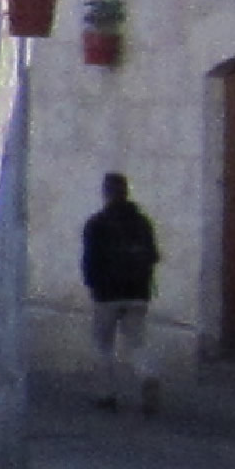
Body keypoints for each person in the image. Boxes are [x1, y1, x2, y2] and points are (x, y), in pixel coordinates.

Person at [79, 174, 163, 411]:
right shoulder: (142, 222)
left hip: (107, 294)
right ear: (127, 192)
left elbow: (89, 261)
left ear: (106, 193)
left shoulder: (96, 224)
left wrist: (93, 285)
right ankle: (148, 373)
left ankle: (106, 394)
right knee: (137, 342)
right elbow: (153, 255)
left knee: (102, 345)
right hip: (138, 292)